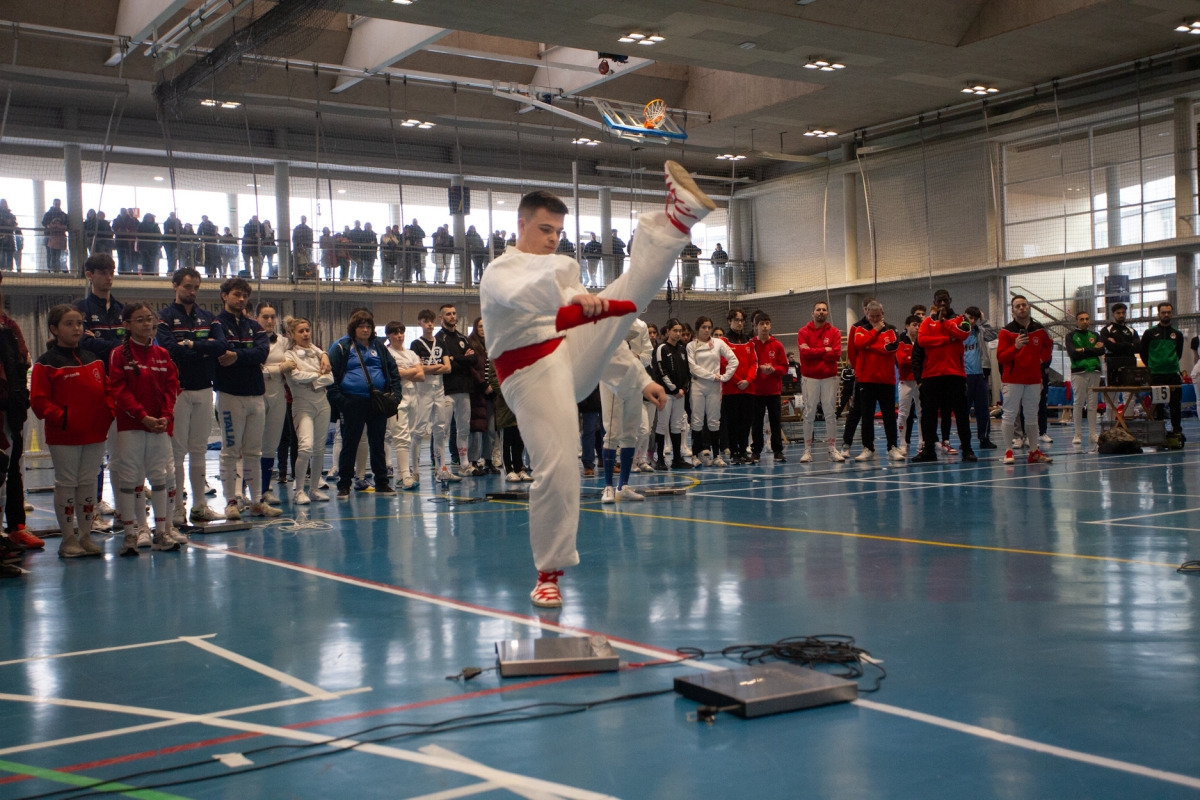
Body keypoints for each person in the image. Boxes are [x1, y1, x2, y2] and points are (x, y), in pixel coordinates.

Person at [478, 163, 706, 607]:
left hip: (565, 353)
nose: (552, 238)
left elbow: (603, 338)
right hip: (529, 374)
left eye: (558, 232)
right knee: (560, 465)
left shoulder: (557, 268)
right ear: (520, 224)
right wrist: (570, 296)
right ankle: (548, 572)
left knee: (626, 302)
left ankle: (676, 220)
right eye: (544, 229)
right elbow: (531, 292)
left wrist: (638, 380)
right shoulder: (499, 272)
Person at [31, 305, 114, 557]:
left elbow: (108, 391)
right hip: (64, 436)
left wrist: (107, 413)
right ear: (54, 329)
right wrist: (64, 419)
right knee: (67, 483)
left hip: (95, 433)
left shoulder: (94, 359)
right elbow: (39, 401)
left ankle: (86, 536)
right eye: (69, 324)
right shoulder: (45, 363)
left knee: (88, 483)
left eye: (79, 323)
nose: (77, 328)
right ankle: (68, 540)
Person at [108, 302, 183, 554]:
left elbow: (172, 387)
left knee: (159, 476)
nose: (147, 324)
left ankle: (161, 532)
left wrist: (164, 416)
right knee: (130, 477)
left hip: (159, 427)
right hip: (131, 426)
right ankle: (131, 533)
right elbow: (119, 390)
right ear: (127, 325)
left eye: (149, 319)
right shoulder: (118, 354)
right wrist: (143, 417)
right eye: (139, 320)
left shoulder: (162, 354)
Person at [157, 267, 226, 526]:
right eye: (187, 286)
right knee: (177, 452)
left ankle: (199, 506)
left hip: (204, 388)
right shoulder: (163, 317)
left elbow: (221, 346)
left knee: (199, 449)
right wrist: (203, 349)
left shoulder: (208, 317)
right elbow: (170, 351)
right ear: (175, 286)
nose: (192, 292)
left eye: (196, 287)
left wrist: (192, 345)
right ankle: (177, 509)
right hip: (178, 390)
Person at [211, 277, 281, 519]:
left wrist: (237, 356)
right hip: (230, 395)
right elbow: (221, 353)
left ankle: (258, 501)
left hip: (256, 395)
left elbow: (262, 353)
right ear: (224, 296)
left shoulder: (255, 327)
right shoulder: (216, 324)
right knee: (231, 450)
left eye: (244, 296)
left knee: (254, 451)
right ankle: (231, 501)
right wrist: (244, 354)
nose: (241, 299)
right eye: (236, 295)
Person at [326, 309, 403, 497]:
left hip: (377, 402)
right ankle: (344, 484)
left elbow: (393, 371)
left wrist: (396, 396)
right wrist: (340, 401)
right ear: (354, 328)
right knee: (349, 444)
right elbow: (330, 377)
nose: (365, 330)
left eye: (368, 326)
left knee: (378, 443)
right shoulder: (342, 347)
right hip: (351, 402)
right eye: (361, 326)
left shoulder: (379, 346)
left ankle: (382, 482)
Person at [76, 253, 124, 518]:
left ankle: (121, 506)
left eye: (111, 272)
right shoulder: (80, 310)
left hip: (118, 387)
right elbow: (85, 345)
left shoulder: (121, 310)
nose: (108, 277)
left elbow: (129, 346)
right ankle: (91, 504)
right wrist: (116, 346)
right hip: (92, 388)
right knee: (93, 451)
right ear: (89, 275)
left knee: (119, 451)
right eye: (103, 272)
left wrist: (103, 344)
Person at [912, 289, 978, 463]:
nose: (942, 303)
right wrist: (948, 339)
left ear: (950, 300)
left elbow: (963, 334)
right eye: (939, 300)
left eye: (945, 300)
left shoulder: (960, 319)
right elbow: (923, 341)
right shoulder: (926, 322)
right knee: (929, 415)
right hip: (931, 375)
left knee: (961, 414)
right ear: (934, 301)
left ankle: (967, 450)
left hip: (955, 374)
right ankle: (928, 451)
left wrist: (946, 323)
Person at [997, 295, 1054, 465]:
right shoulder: (1006, 332)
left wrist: (1042, 359)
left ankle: (1034, 451)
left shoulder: (1040, 329)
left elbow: (1048, 345)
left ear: (1028, 307)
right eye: (1017, 306)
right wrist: (1016, 347)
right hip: (1012, 379)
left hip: (1034, 379)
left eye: (1024, 305)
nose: (1021, 308)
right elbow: (1001, 357)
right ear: (1013, 311)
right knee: (1009, 414)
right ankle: (1008, 450)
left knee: (1032, 415)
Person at [600, 319, 652, 502]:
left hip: (635, 380)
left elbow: (648, 355)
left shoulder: (641, 325)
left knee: (631, 433)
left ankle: (623, 485)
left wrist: (636, 358)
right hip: (611, 380)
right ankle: (607, 487)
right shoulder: (609, 320)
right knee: (612, 433)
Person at [282, 318, 333, 503]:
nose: (305, 334)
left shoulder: (318, 352)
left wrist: (313, 379)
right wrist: (317, 376)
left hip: (323, 403)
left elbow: (331, 377)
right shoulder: (289, 355)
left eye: (307, 330)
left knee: (319, 449)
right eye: (301, 331)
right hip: (302, 404)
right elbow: (295, 377)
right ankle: (299, 491)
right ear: (292, 334)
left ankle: (313, 489)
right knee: (305, 447)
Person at [850, 301, 902, 461]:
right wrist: (875, 331)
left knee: (888, 415)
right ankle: (868, 448)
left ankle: (892, 447)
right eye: (871, 316)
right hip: (866, 380)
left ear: (883, 314)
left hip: (886, 380)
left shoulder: (892, 330)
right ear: (867, 316)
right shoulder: (860, 330)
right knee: (867, 415)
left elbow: (891, 348)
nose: (874, 319)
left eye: (877, 316)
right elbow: (859, 343)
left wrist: (870, 346)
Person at [797, 300, 844, 463]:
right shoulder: (803, 332)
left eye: (824, 310)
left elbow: (837, 354)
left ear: (827, 313)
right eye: (818, 310)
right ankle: (807, 451)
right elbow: (804, 353)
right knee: (809, 413)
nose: (821, 312)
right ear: (813, 313)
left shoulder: (835, 332)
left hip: (829, 378)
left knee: (830, 413)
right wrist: (824, 350)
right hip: (809, 377)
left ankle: (832, 449)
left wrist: (814, 352)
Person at [687, 316, 737, 466]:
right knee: (696, 421)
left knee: (714, 421)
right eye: (704, 327)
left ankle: (716, 456)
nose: (707, 330)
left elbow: (734, 360)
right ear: (697, 329)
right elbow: (692, 368)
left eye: (709, 327)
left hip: (715, 387)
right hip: (697, 386)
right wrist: (712, 376)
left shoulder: (718, 343)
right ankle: (696, 455)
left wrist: (725, 377)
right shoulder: (691, 346)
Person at [410, 309, 453, 483]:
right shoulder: (416, 344)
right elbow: (419, 369)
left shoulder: (441, 342)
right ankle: (415, 471)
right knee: (419, 430)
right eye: (425, 321)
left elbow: (448, 368)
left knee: (440, 430)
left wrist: (430, 368)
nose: (429, 324)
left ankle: (441, 469)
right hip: (423, 390)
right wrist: (437, 367)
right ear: (419, 323)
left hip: (439, 389)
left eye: (431, 321)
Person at [384, 322, 425, 490]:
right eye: (395, 333)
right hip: (396, 397)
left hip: (413, 396)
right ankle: (405, 475)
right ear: (388, 335)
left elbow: (422, 376)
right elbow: (394, 373)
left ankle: (402, 475)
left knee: (409, 434)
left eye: (401, 332)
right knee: (401, 437)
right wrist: (411, 371)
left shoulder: (411, 353)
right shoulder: (387, 353)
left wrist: (404, 372)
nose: (399, 335)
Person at [436, 303, 476, 477]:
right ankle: (441, 467)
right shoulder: (439, 339)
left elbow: (474, 359)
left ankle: (464, 463)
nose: (452, 316)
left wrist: (454, 358)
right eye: (448, 314)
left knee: (463, 428)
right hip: (446, 390)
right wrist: (460, 359)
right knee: (442, 429)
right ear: (441, 317)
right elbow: (445, 365)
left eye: (454, 313)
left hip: (464, 389)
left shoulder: (463, 338)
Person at [257, 303, 289, 504]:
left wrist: (323, 355)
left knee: (271, 443)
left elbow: (298, 357)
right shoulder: (250, 339)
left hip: (278, 394)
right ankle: (243, 491)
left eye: (272, 317)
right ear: (256, 318)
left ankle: (266, 488)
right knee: (252, 444)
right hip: (255, 393)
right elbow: (252, 366)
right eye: (265, 317)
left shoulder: (284, 342)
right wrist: (276, 369)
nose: (269, 321)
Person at [1140, 301, 1185, 439]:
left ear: (1171, 313)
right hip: (1156, 375)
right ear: (1158, 314)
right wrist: (1153, 365)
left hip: (1172, 374)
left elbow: (1179, 353)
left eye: (1169, 312)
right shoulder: (1149, 333)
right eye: (1163, 312)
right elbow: (1143, 353)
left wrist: (1170, 363)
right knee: (1157, 404)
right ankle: (1158, 432)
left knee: (1175, 404)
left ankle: (1176, 429)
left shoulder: (1177, 334)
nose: (1166, 315)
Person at [652, 319, 691, 470]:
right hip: (666, 395)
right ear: (667, 331)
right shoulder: (661, 349)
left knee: (677, 426)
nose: (678, 333)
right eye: (675, 330)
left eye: (680, 331)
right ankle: (660, 459)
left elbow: (688, 372)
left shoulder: (682, 350)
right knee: (662, 426)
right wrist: (674, 389)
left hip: (680, 395)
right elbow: (661, 371)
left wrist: (684, 389)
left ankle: (677, 459)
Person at [720, 308, 757, 464]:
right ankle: (734, 452)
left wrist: (748, 380)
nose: (739, 323)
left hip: (748, 389)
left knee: (746, 421)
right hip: (731, 390)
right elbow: (723, 364)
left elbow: (754, 363)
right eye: (736, 320)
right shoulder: (723, 341)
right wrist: (736, 381)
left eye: (742, 320)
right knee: (733, 422)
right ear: (729, 321)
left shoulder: (750, 340)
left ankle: (743, 450)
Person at [750, 312, 788, 463]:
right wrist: (759, 369)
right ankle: (756, 450)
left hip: (773, 390)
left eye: (767, 323)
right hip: (756, 390)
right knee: (757, 422)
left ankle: (777, 450)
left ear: (770, 325)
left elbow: (784, 367)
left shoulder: (777, 345)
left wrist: (774, 369)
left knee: (775, 421)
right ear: (756, 326)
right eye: (761, 324)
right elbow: (748, 365)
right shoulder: (751, 345)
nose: (765, 327)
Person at [1067, 310, 1105, 450]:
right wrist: (1091, 349)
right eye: (1081, 319)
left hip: (1094, 371)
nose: (1084, 321)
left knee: (1093, 404)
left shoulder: (1096, 335)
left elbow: (1101, 351)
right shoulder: (1070, 336)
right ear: (1076, 321)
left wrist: (1082, 350)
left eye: (1087, 319)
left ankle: (1092, 434)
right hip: (1078, 372)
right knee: (1078, 402)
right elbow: (1073, 353)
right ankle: (1077, 434)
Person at [963, 306, 998, 450]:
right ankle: (965, 440)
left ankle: (984, 438)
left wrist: (984, 321)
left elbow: (992, 336)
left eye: (975, 319)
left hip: (980, 375)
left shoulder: (980, 331)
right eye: (970, 318)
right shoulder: (957, 333)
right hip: (964, 376)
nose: (972, 321)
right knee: (963, 410)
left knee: (983, 409)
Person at [467, 318, 496, 473]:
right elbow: (471, 368)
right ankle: (473, 461)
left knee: (491, 429)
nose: (483, 329)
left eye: (485, 326)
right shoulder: (471, 344)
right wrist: (483, 384)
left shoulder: (493, 344)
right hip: (477, 393)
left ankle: (488, 461)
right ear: (475, 328)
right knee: (476, 429)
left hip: (492, 393)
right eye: (480, 326)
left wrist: (494, 386)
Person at [896, 315, 923, 456]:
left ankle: (921, 443)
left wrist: (910, 358)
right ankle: (902, 444)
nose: (917, 327)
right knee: (903, 413)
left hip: (919, 381)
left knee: (921, 413)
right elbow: (901, 361)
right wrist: (915, 359)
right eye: (914, 324)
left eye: (919, 325)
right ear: (907, 326)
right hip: (905, 381)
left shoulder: (922, 342)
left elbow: (925, 360)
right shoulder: (900, 342)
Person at [1100, 302, 1139, 384]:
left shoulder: (1131, 330)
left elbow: (1137, 347)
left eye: (1123, 312)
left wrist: (1117, 344)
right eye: (1118, 313)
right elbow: (1110, 347)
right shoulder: (1106, 330)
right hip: (1112, 363)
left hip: (1129, 362)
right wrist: (1129, 344)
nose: (1121, 315)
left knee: (1130, 393)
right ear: (1113, 314)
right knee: (1111, 393)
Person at [42, 199, 69, 273]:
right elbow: (44, 223)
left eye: (58, 203)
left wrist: (54, 226)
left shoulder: (63, 215)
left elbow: (67, 225)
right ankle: (50, 269)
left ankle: (57, 269)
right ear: (53, 203)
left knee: (59, 255)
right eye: (55, 203)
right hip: (49, 236)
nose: (57, 204)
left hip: (60, 237)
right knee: (50, 254)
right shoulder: (48, 214)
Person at [404, 218, 426, 283]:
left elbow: (423, 234)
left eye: (416, 222)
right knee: (411, 265)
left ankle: (420, 279)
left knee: (418, 265)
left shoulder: (419, 228)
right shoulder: (410, 228)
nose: (415, 223)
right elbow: (410, 237)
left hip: (418, 250)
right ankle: (410, 279)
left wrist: (416, 236)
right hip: (411, 251)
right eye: (414, 222)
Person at [0, 199, 18, 271]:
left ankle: (9, 269)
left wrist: (9, 223)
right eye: (2, 203)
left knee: (9, 254)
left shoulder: (11, 215)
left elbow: (14, 225)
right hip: (1, 237)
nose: (3, 205)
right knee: (1, 254)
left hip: (9, 237)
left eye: (4, 203)